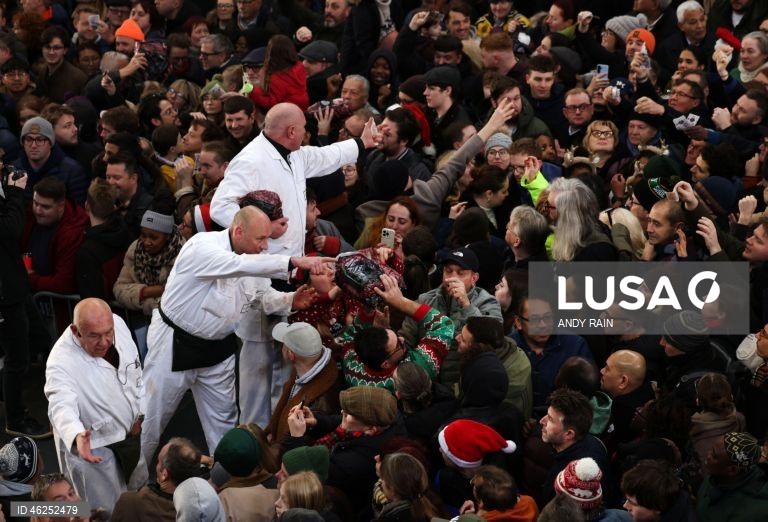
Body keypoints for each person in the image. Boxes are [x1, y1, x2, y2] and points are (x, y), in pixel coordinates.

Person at [140, 207, 330, 466]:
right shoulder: (202, 247)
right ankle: (132, 485)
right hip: (175, 343)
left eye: (267, 239)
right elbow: (237, 265)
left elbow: (261, 296)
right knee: (151, 417)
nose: (265, 247)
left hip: (218, 351)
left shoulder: (252, 256)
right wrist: (294, 262)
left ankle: (228, 485)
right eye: (260, 239)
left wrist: (290, 299)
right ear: (238, 231)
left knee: (224, 426)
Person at [211, 102, 376, 255]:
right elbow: (220, 207)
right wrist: (263, 228)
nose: (305, 131)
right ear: (291, 132)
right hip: (264, 260)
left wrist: (362, 143)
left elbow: (325, 156)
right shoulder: (250, 161)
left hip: (291, 256)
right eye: (303, 127)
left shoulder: (294, 153)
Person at [44, 298, 147, 515]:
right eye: (94, 336)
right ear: (75, 331)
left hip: (131, 435)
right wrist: (76, 435)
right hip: (95, 450)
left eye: (108, 333)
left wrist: (140, 414)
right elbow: (60, 405)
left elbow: (133, 372)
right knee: (105, 511)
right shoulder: (60, 362)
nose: (104, 342)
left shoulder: (117, 323)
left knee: (137, 497)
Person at [265, 322, 343, 444]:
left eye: (284, 345)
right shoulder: (304, 369)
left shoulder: (320, 404)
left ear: (291, 355)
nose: (282, 348)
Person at [111, 437, 202, 521]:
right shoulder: (202, 513)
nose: (157, 465)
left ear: (164, 475)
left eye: (159, 462)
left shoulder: (128, 502)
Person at [697, 432, 768, 521]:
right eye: (711, 449)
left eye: (714, 456)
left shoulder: (755, 512)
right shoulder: (716, 474)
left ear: (732, 470)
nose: (708, 455)